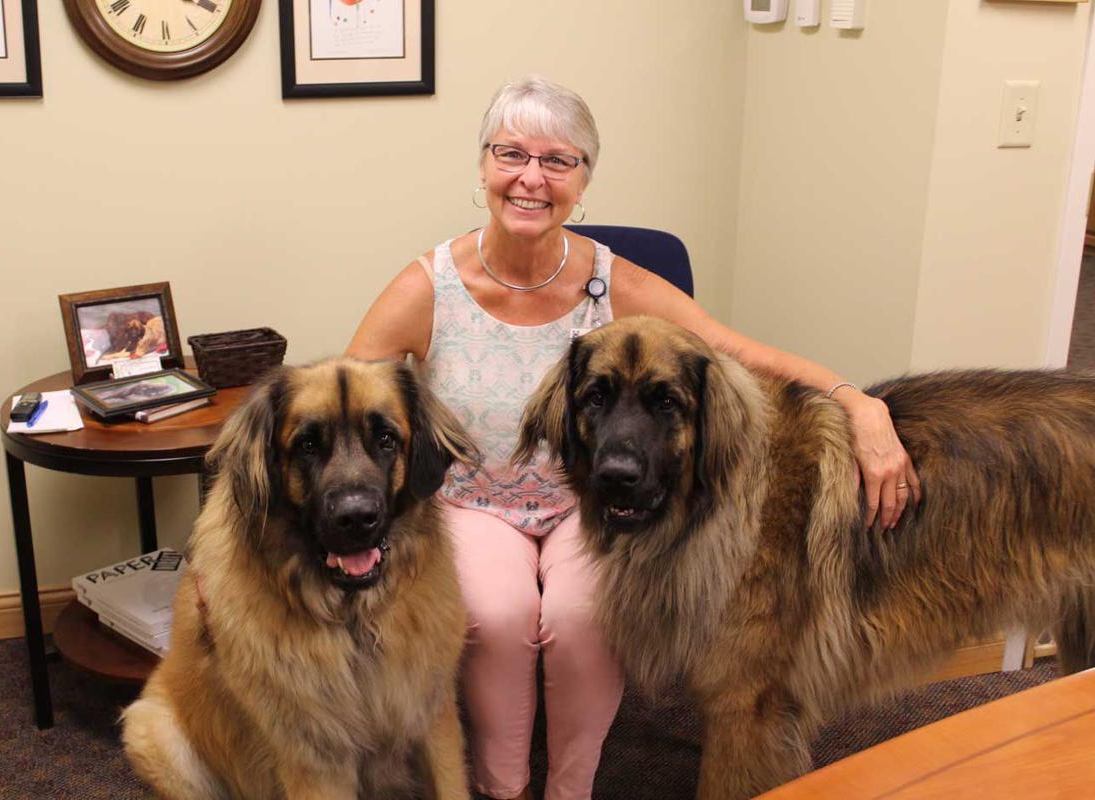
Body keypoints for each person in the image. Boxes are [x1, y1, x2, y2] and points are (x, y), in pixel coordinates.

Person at [347, 76, 919, 800]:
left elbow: (740, 353)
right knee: (500, 613)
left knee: (582, 615)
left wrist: (857, 402)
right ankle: (501, 788)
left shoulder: (614, 282)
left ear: (584, 181)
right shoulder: (427, 287)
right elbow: (346, 410)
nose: (532, 178)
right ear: (483, 167)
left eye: (559, 161)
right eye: (511, 153)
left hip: (595, 504)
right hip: (474, 502)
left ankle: (569, 790)